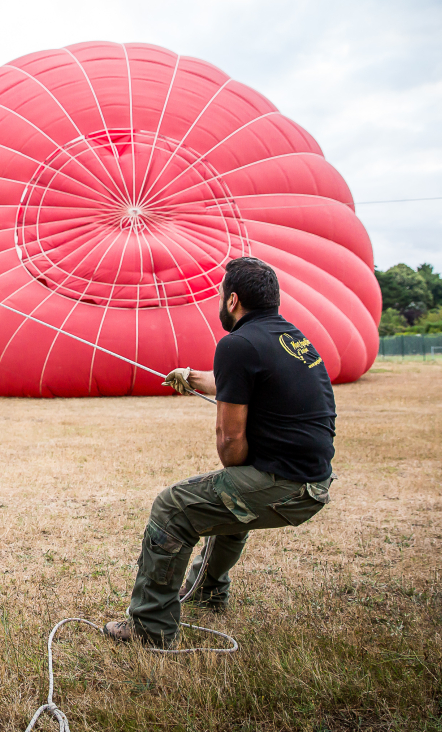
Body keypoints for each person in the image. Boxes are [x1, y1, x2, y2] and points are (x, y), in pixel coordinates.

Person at [104, 256, 337, 649]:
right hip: (314, 480)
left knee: (174, 506)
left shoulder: (236, 343)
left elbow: (230, 446)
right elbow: (250, 381)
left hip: (288, 486)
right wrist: (193, 378)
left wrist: (236, 472)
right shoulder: (290, 337)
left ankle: (150, 628)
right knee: (228, 498)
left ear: (232, 301)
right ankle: (208, 593)